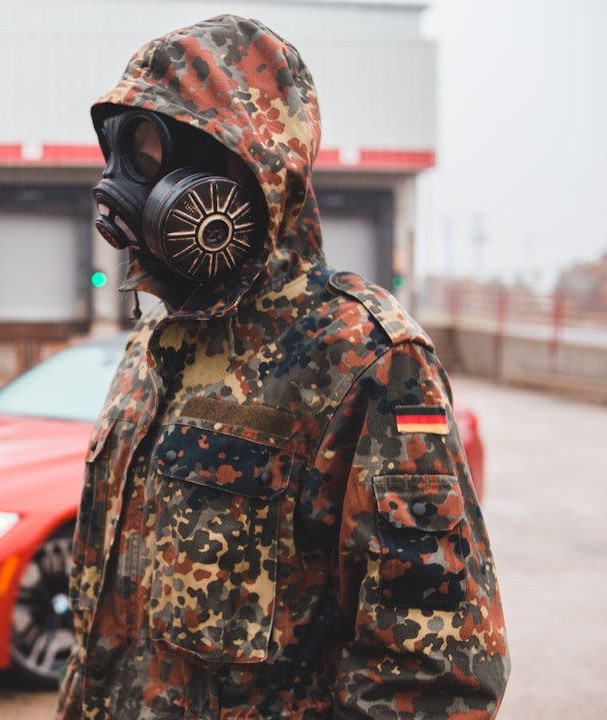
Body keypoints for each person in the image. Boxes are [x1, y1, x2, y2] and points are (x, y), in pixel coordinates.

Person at [55, 14, 510, 720]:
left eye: (151, 154)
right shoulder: (154, 347)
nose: (125, 189)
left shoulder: (367, 361)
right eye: (119, 153)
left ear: (250, 166)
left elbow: (433, 678)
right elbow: (102, 639)